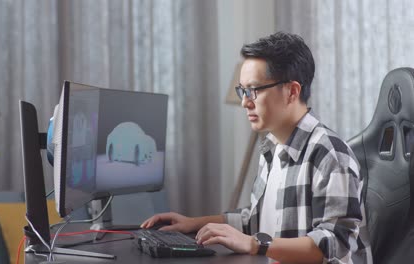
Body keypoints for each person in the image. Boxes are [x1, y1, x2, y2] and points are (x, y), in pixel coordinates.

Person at [141, 32, 372, 264]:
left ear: (292, 91)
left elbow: (335, 243)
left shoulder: (330, 154)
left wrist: (254, 244)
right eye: (242, 91)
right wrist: (192, 223)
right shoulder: (272, 148)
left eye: (253, 90)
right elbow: (255, 219)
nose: (244, 102)